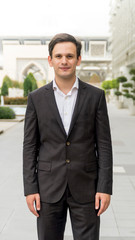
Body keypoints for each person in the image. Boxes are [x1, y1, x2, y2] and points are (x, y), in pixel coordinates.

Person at [23, 33, 113, 240]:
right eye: (59, 56)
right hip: (48, 189)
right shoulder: (36, 99)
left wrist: (104, 187)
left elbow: (104, 145)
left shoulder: (96, 97)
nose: (64, 61)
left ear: (78, 60)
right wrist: (30, 189)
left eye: (70, 56)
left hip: (87, 188)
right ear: (50, 60)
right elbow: (30, 146)